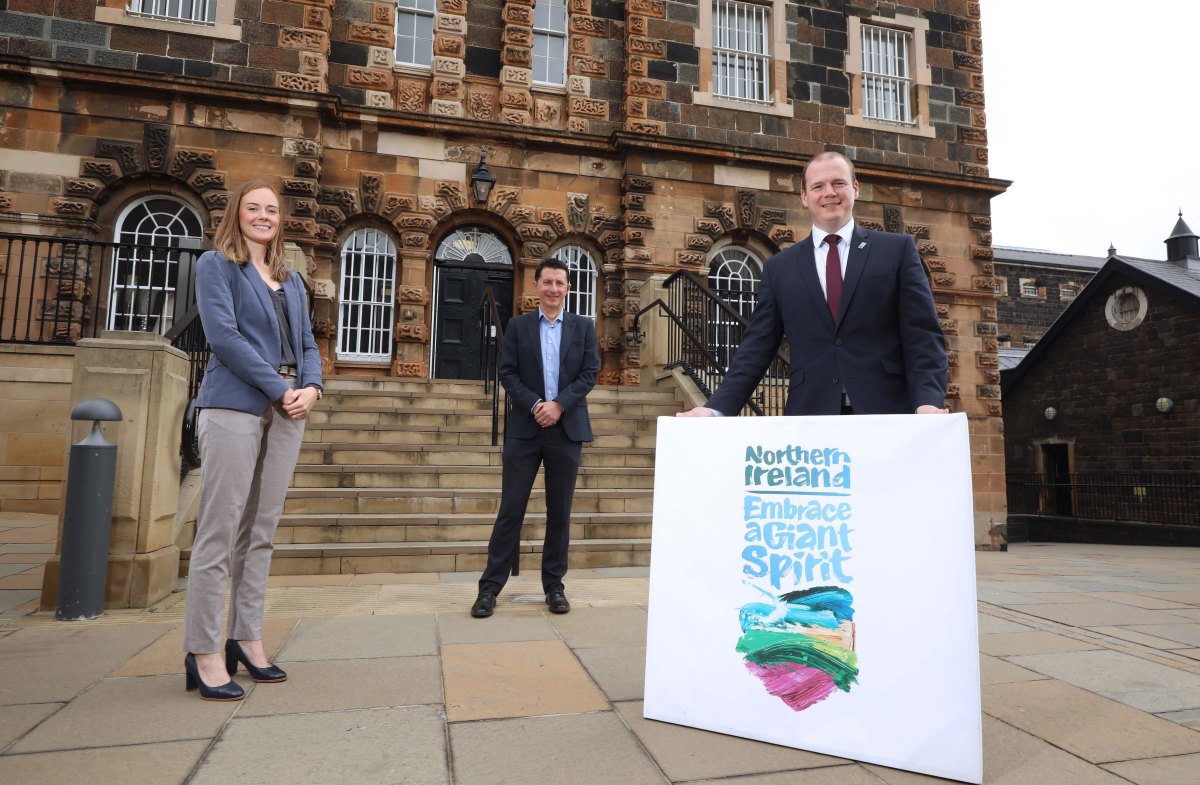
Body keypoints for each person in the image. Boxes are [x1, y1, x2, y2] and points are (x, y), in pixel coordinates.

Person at [182, 180, 323, 700]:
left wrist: (312, 388)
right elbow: (223, 337)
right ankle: (203, 652)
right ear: (236, 214)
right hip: (234, 405)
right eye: (253, 208)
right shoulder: (216, 265)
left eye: (271, 210)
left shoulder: (292, 279)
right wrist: (279, 388)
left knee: (260, 531)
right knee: (219, 531)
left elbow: (308, 343)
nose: (264, 216)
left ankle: (245, 637)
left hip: (288, 410)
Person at [679, 151, 948, 418]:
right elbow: (757, 347)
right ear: (804, 197)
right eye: (818, 186)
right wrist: (715, 409)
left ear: (855, 189)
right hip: (810, 417)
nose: (829, 193)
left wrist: (927, 401)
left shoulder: (897, 250)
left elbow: (922, 336)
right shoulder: (779, 268)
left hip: (887, 413)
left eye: (838, 183)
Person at [471, 257, 600, 618]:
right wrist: (535, 405)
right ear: (536, 286)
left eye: (560, 283)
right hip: (525, 430)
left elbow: (589, 373)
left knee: (559, 512)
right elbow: (507, 373)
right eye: (547, 282)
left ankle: (554, 586)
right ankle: (489, 588)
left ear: (568, 288)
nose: (553, 289)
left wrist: (559, 405)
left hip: (566, 429)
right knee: (511, 509)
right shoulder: (518, 326)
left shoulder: (583, 327)